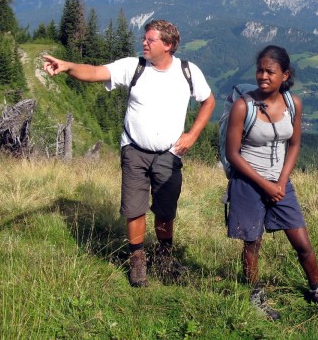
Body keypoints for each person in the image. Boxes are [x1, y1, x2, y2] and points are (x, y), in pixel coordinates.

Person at [42, 19, 216, 287]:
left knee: (165, 211)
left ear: (168, 45)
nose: (144, 43)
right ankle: (137, 261)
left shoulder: (188, 72)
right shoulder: (133, 67)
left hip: (169, 155)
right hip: (134, 150)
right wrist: (67, 67)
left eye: (151, 40)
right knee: (134, 209)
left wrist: (192, 135)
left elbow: (208, 101)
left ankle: (165, 256)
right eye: (144, 38)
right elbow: (95, 72)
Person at [225, 45, 318, 320]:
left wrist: (281, 182)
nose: (263, 76)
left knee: (302, 241)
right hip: (249, 182)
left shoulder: (293, 103)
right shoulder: (243, 106)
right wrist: (266, 185)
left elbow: (295, 144)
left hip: (279, 183)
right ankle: (255, 297)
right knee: (252, 243)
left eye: (270, 71)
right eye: (260, 70)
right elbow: (232, 154)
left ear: (285, 75)